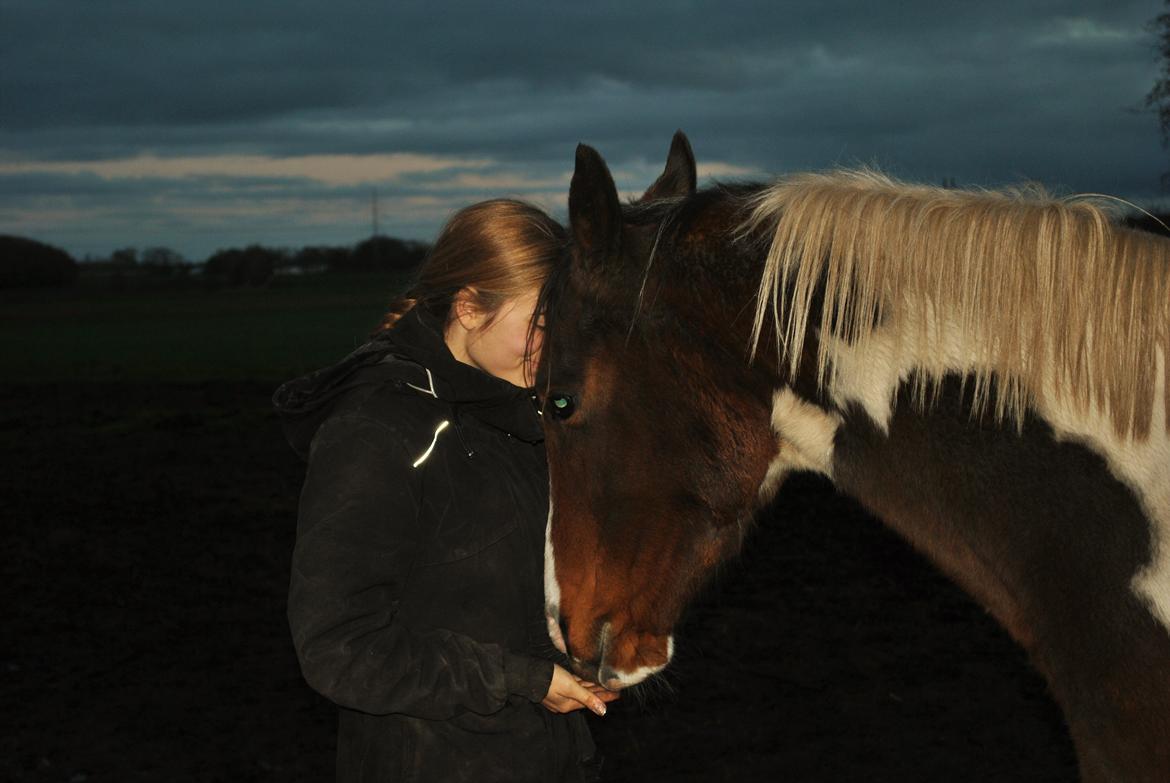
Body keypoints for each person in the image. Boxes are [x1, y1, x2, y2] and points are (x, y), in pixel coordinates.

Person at [272, 199, 616, 782]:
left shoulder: (524, 407)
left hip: (544, 755)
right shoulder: (377, 431)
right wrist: (523, 680)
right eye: (539, 324)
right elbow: (339, 648)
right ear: (468, 307)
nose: (555, 344)